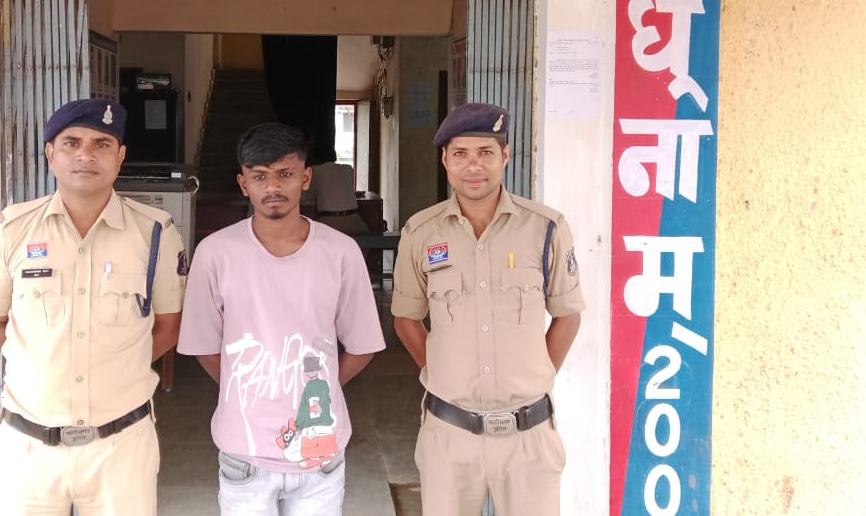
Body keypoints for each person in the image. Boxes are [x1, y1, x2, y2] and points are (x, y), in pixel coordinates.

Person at [0, 98, 187, 516]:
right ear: (50, 153)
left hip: (122, 449)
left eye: (101, 144)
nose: (86, 155)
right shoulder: (12, 230)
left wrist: (115, 364)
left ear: (120, 157)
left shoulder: (155, 233)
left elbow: (168, 326)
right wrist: (46, 360)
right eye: (71, 143)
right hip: (28, 451)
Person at [177, 122, 385, 516]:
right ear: (243, 184)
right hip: (244, 452)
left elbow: (362, 345)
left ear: (305, 178)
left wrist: (317, 389)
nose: (272, 187)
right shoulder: (215, 253)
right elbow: (204, 345)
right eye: (259, 176)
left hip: (320, 453)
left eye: (285, 174)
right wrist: (246, 389)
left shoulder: (340, 252)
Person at [391, 102, 585, 516]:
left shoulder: (545, 228)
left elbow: (567, 314)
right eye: (461, 154)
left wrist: (536, 374)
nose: (473, 166)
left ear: (505, 155)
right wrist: (441, 371)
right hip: (450, 436)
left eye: (485, 153)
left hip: (529, 437)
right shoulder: (420, 233)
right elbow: (406, 318)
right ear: (445, 160)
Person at [306, 147, 370, 237]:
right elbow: (346, 189)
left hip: (329, 222)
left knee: (312, 234)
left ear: (316, 158)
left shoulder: (315, 171)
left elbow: (307, 196)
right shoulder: (348, 169)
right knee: (366, 233)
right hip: (353, 222)